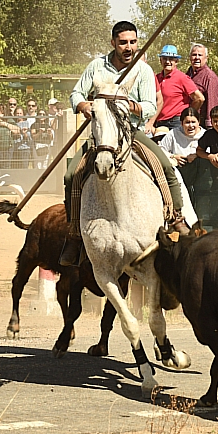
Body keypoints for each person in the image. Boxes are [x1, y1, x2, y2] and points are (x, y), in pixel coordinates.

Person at [62, 21, 190, 265]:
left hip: (131, 132)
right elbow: (76, 93)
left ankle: (176, 217)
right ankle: (74, 233)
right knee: (71, 176)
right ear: (113, 43)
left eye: (133, 42)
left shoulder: (143, 70)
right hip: (101, 135)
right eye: (123, 43)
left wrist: (129, 105)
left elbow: (150, 106)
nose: (128, 47)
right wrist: (84, 105)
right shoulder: (97, 67)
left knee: (165, 166)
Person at [150, 45, 204, 135]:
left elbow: (199, 98)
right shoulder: (156, 78)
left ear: (176, 61)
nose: (167, 61)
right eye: (164, 58)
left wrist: (188, 114)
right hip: (159, 123)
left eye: (171, 59)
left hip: (176, 122)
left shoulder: (182, 78)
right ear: (160, 60)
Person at [186, 44, 218, 128]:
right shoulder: (188, 74)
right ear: (190, 57)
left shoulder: (210, 77)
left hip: (202, 123)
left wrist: (210, 125)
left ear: (206, 58)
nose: (197, 58)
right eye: (194, 55)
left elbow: (212, 102)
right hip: (190, 121)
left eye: (200, 55)